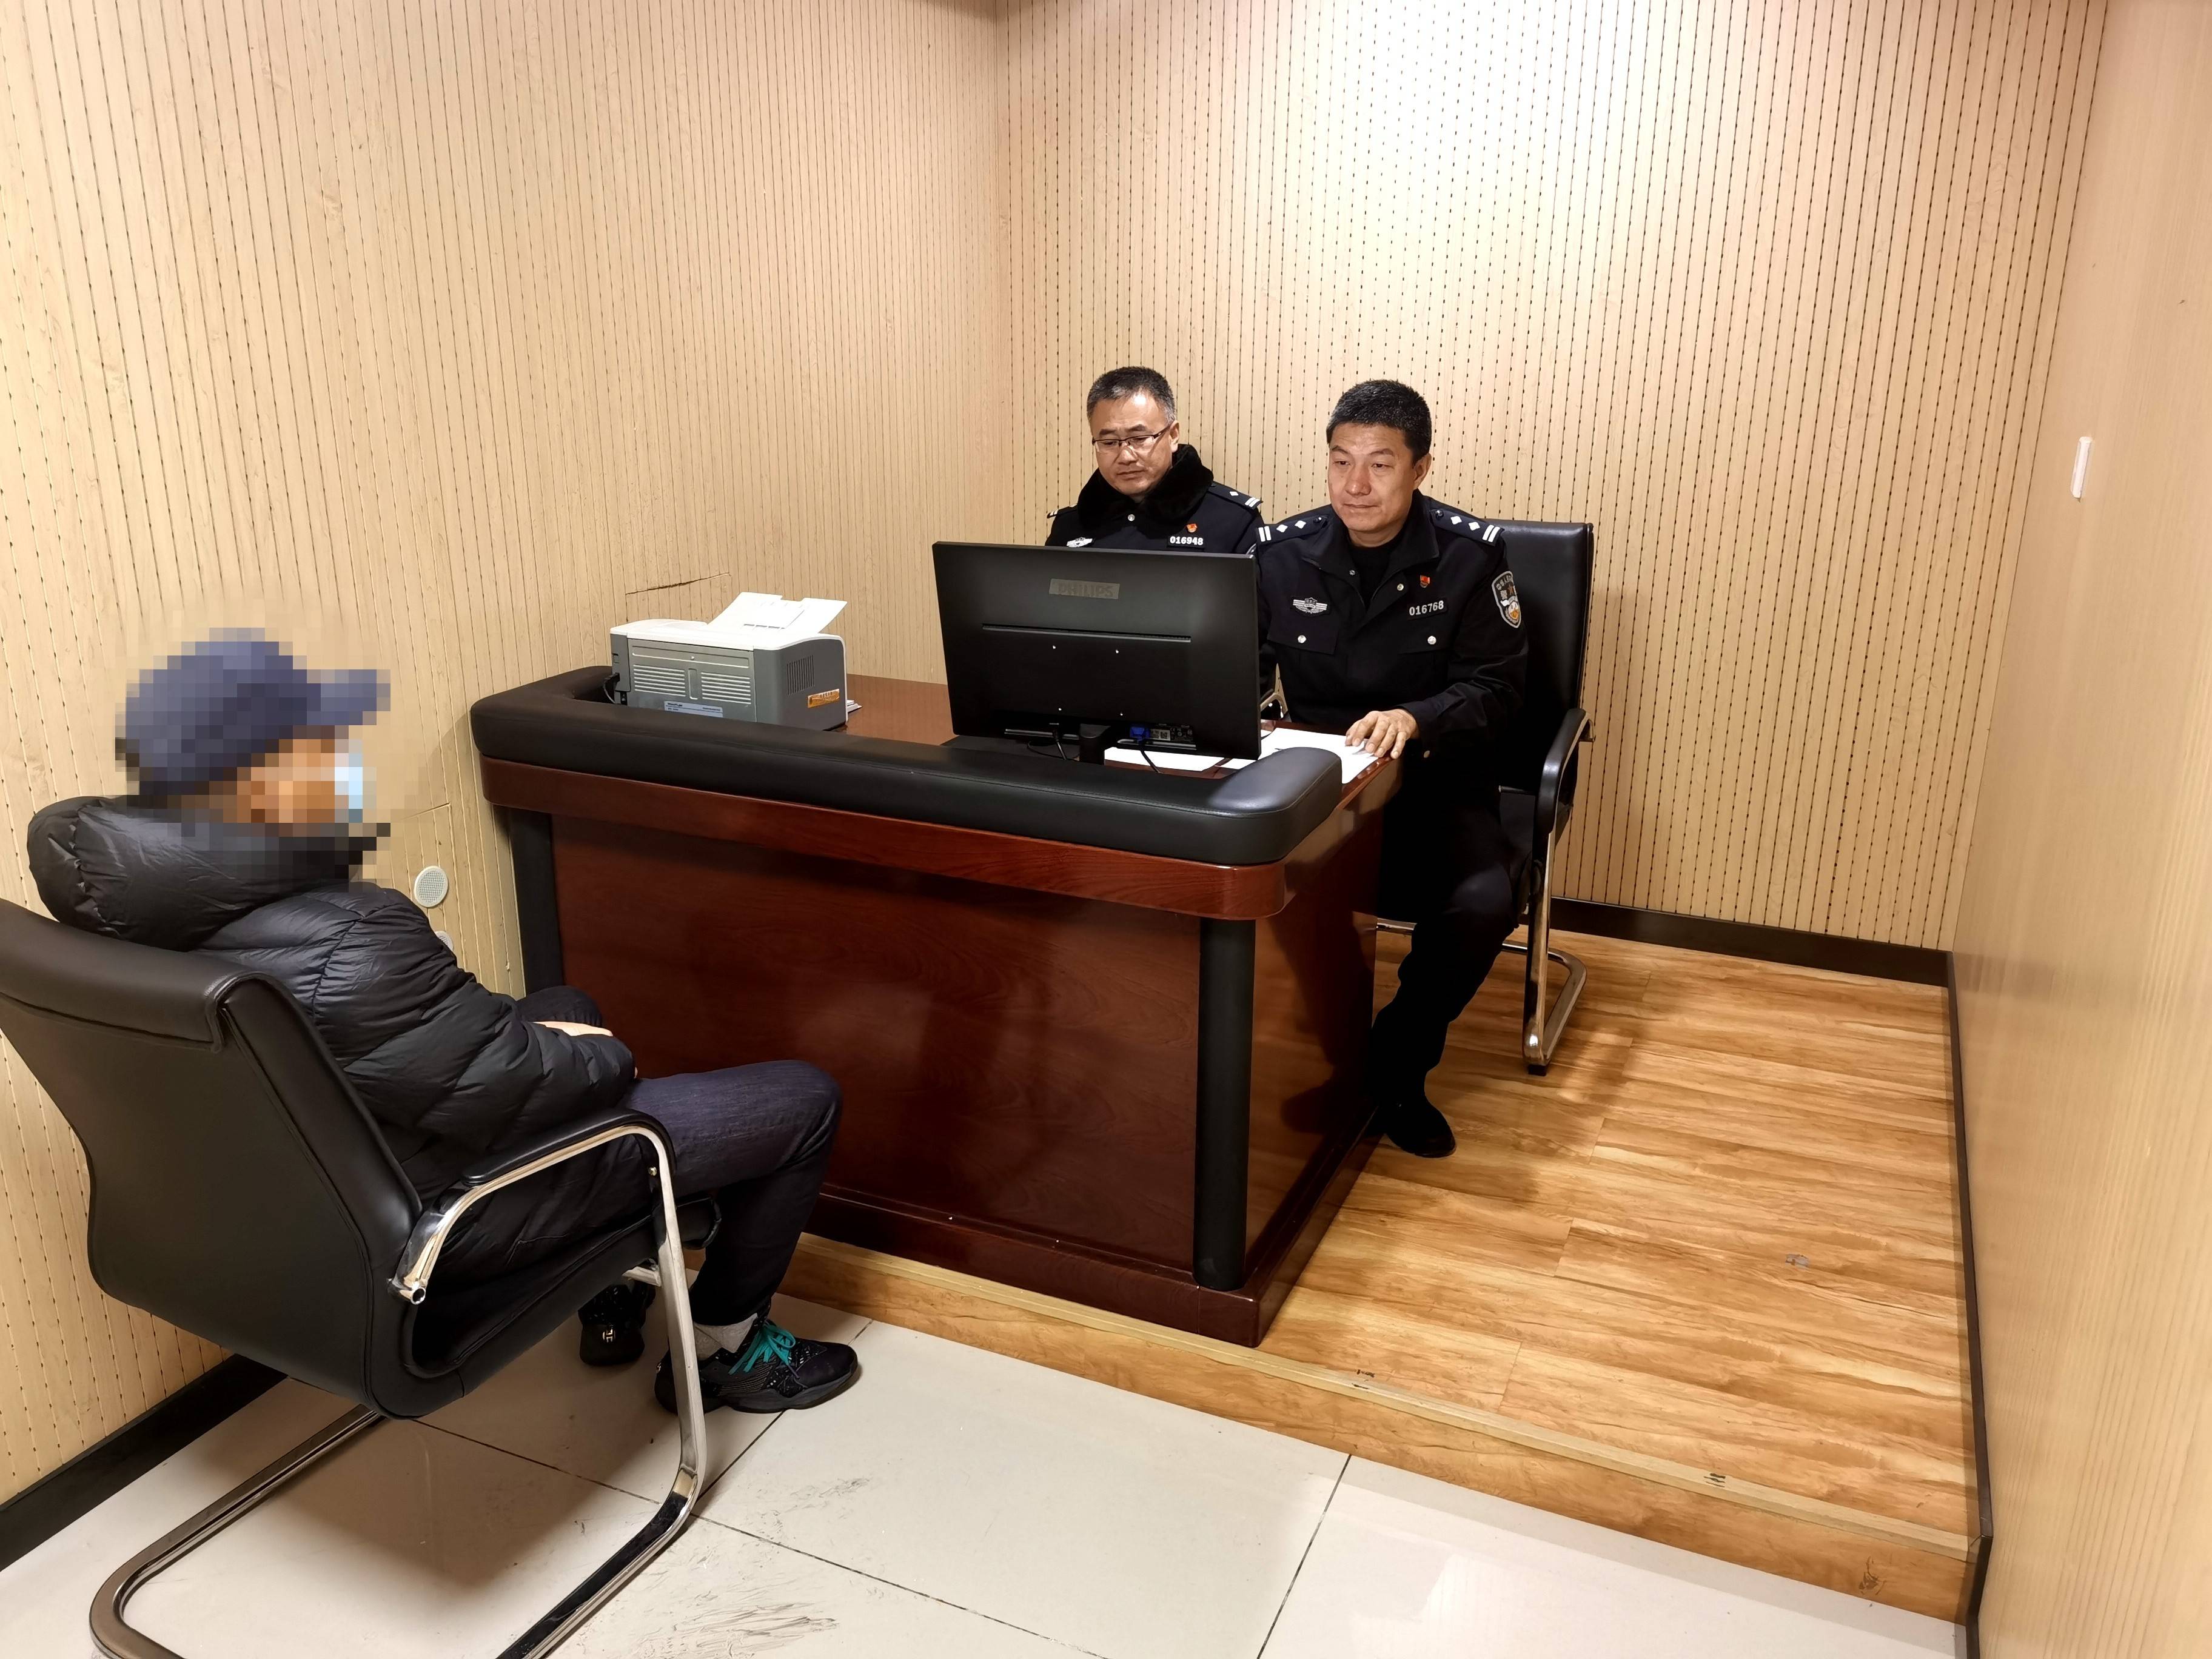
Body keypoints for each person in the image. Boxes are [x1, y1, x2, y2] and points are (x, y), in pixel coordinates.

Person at [26, 631, 857, 1415]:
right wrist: (606, 1060)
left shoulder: (134, 931)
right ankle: (729, 1345)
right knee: (801, 1099)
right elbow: (516, 1085)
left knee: (564, 1004)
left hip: (312, 1219)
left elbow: (441, 1062)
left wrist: (555, 1041)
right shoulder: (350, 939)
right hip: (456, 1217)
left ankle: (611, 1292)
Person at [1242, 383, 1528, 1159]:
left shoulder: (1471, 556)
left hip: (1435, 783)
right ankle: (1340, 1057)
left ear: (1420, 469)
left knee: (1481, 904)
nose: (1355, 485)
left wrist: (1418, 717)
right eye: (1341, 462)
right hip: (1321, 787)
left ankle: (1396, 1064)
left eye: (1379, 464)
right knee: (1274, 887)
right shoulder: (1281, 554)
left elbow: (1499, 689)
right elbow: (1236, 670)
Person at [1046, 366, 1263, 550]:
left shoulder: (1234, 521)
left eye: (1140, 438)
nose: (1125, 457)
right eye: (1109, 442)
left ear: (1173, 435)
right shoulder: (1069, 526)